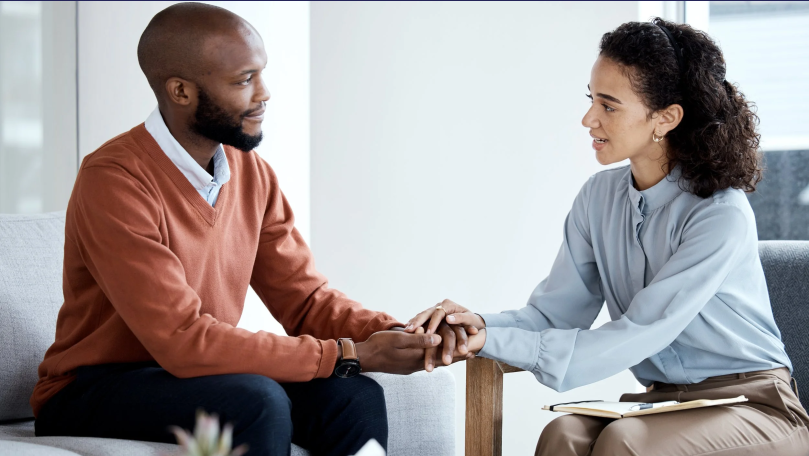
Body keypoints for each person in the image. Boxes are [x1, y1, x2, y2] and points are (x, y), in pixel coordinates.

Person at [32, 3, 468, 455]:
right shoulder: (114, 178)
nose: (264, 93)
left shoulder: (251, 172)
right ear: (181, 91)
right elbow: (181, 339)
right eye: (244, 80)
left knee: (352, 395)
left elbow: (305, 301)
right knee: (257, 402)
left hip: (199, 374)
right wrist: (348, 354)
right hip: (93, 388)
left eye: (261, 74)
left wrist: (399, 334)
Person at [407, 18, 809, 455]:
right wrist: (480, 326)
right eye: (590, 99)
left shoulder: (720, 214)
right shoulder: (597, 199)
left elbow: (639, 332)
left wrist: (497, 341)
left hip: (755, 407)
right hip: (667, 403)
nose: (588, 118)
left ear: (666, 117)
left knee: (624, 443)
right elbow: (553, 315)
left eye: (609, 105)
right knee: (561, 434)